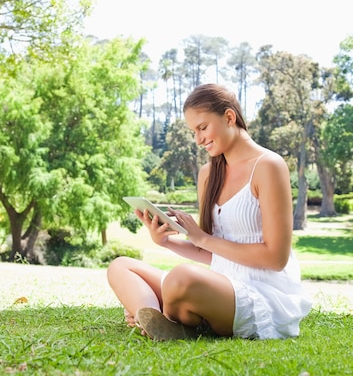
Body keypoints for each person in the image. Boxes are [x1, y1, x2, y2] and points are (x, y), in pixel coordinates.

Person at [107, 83, 312, 341]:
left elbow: (276, 258)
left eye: (202, 128)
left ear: (229, 117)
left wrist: (202, 238)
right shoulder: (208, 174)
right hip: (218, 285)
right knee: (121, 266)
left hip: (261, 292)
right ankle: (153, 319)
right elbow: (211, 255)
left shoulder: (269, 166)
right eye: (194, 131)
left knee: (181, 278)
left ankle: (153, 315)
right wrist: (166, 241)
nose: (199, 139)